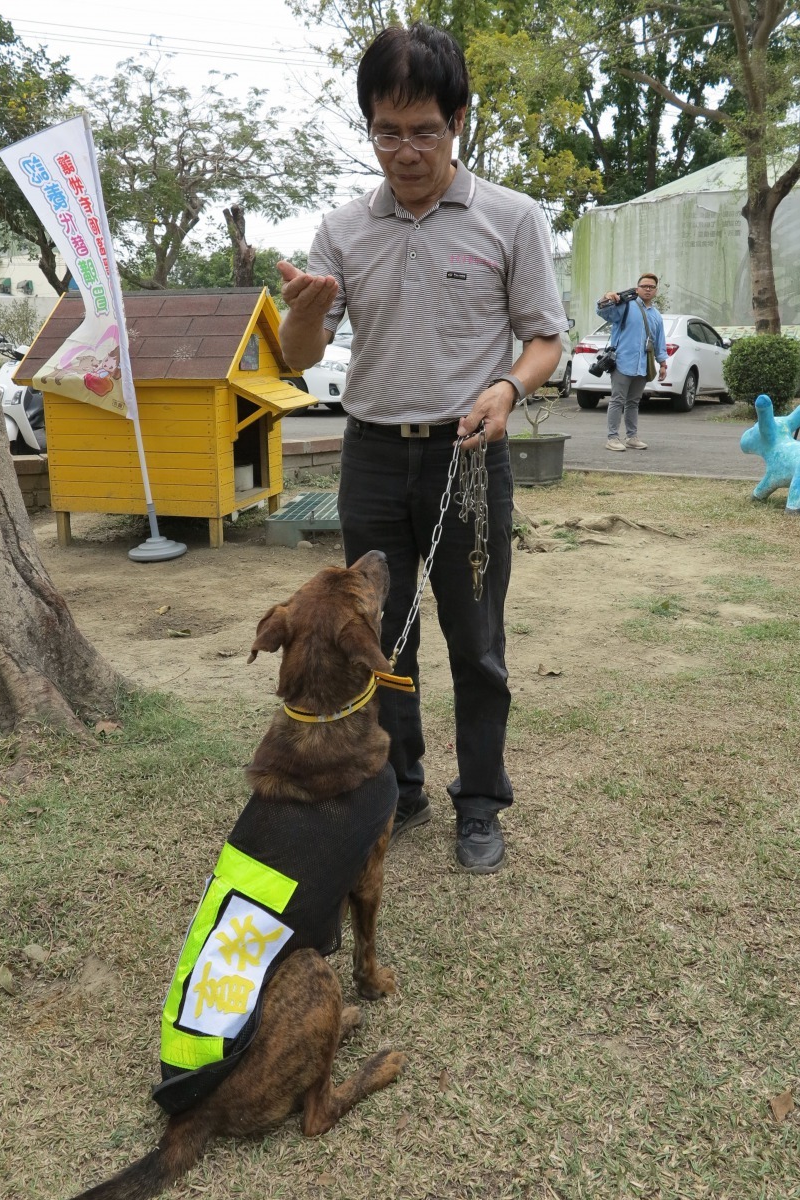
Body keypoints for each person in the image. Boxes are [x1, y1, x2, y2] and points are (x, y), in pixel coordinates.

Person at [277, 22, 567, 874]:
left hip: (468, 459)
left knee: (475, 640)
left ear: (459, 121)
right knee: (378, 638)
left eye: (424, 130)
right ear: (369, 124)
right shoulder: (341, 228)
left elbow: (544, 338)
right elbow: (298, 357)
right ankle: (396, 788)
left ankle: (479, 801)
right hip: (369, 453)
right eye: (386, 130)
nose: (405, 151)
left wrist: (508, 387)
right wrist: (302, 309)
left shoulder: (510, 218)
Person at [597, 273, 668, 451]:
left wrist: (663, 364)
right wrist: (606, 297)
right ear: (637, 289)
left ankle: (631, 437)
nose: (648, 289)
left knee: (633, 402)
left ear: (656, 291)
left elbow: (660, 342)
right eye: (644, 286)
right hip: (622, 361)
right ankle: (612, 438)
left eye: (651, 287)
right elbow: (603, 311)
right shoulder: (626, 305)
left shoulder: (657, 316)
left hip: (642, 365)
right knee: (617, 400)